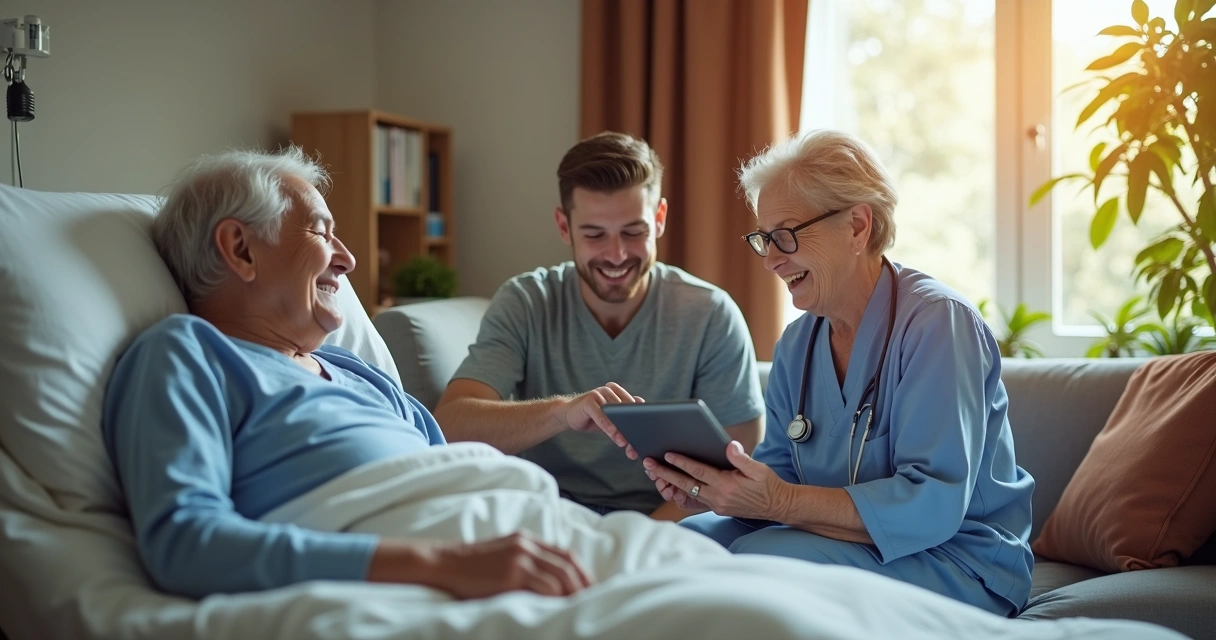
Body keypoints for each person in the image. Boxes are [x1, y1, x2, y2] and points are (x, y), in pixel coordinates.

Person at [103, 148, 595, 599]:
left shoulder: (357, 372)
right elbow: (186, 543)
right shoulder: (187, 356)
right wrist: (444, 564)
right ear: (241, 249)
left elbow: (457, 475)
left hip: (539, 533)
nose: (348, 258)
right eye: (321, 231)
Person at [643, 130, 1035, 617]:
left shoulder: (938, 324)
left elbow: (932, 503)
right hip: (840, 543)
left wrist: (779, 503)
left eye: (785, 234)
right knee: (684, 546)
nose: (770, 258)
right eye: (763, 239)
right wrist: (720, 493)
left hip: (960, 562)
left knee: (758, 562)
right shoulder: (798, 344)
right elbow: (780, 475)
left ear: (857, 226)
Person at [434, 132, 764, 522]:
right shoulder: (525, 301)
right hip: (545, 513)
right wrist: (562, 412)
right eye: (594, 235)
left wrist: (639, 537)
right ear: (563, 226)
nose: (616, 255)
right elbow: (448, 426)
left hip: (668, 522)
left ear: (659, 219)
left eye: (633, 232)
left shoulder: (710, 313)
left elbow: (736, 459)